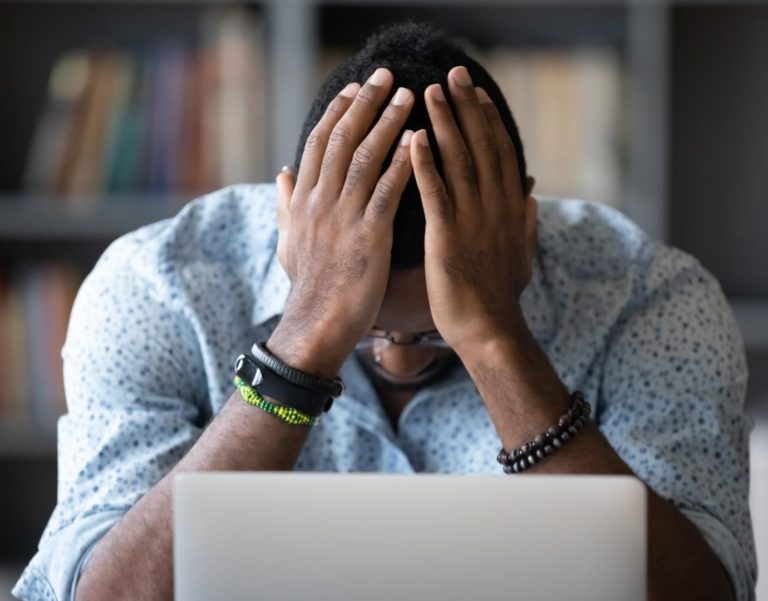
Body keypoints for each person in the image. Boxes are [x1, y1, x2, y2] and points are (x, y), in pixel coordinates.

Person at [14, 21, 755, 601]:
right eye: (371, 334)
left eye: (434, 333)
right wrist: (305, 338)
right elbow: (102, 592)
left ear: (521, 230)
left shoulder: (650, 299)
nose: (400, 357)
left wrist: (496, 341)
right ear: (290, 218)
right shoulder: (156, 287)